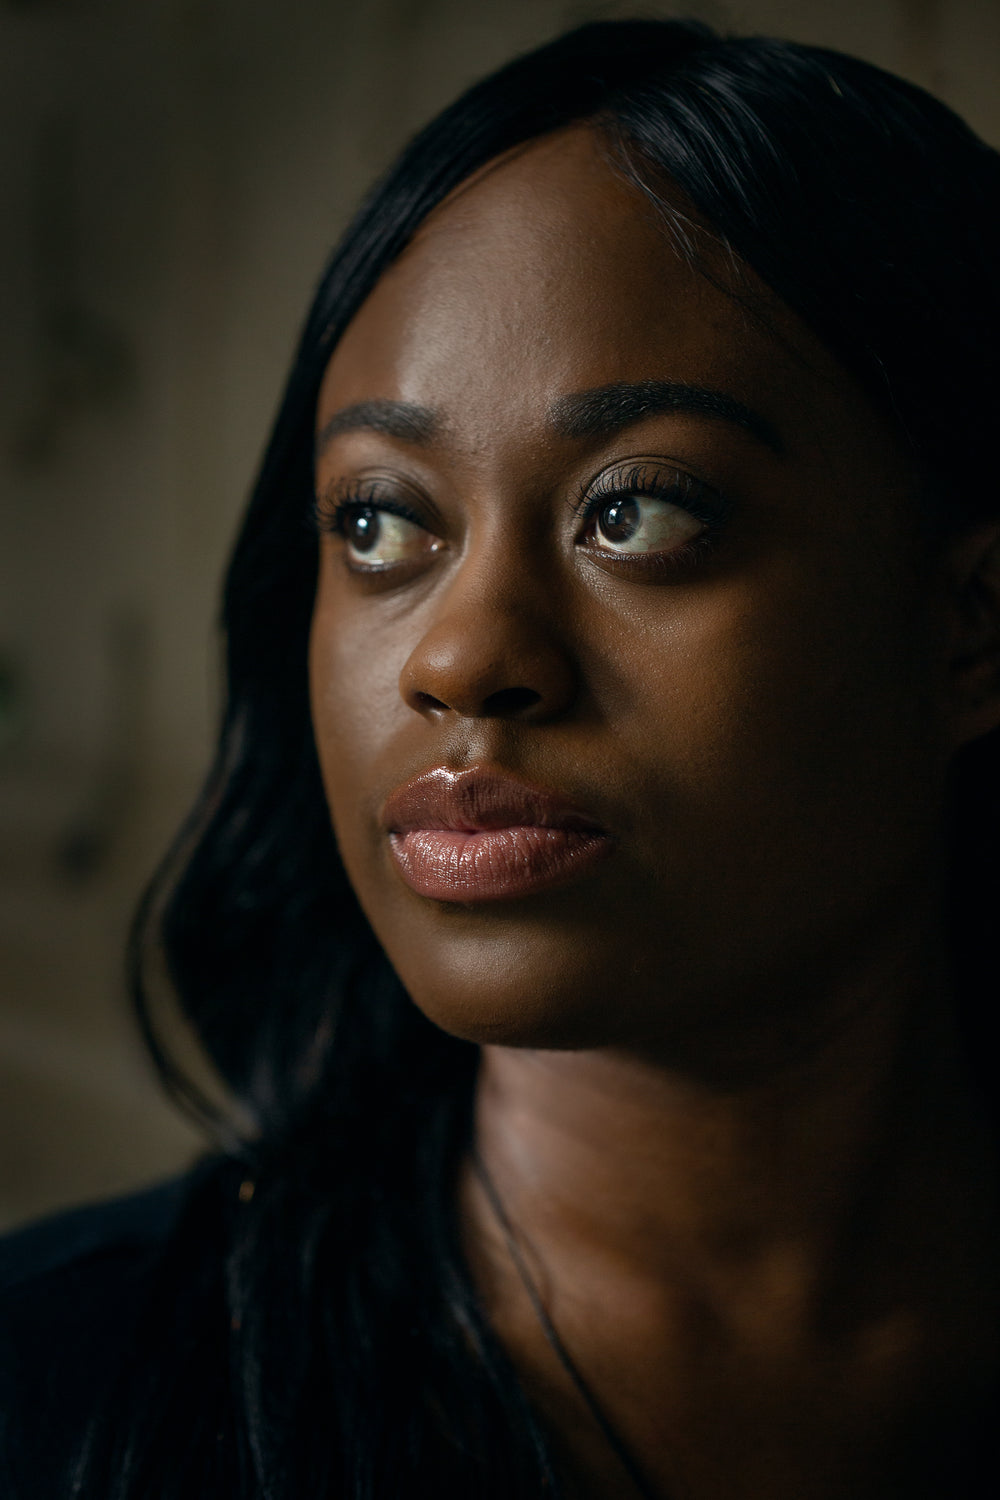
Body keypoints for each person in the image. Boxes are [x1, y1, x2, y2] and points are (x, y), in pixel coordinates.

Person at [2, 16, 998, 1499]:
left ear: (971, 624)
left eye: (638, 512)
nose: (459, 658)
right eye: (383, 526)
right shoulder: (56, 1397)